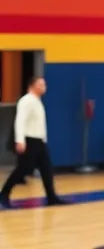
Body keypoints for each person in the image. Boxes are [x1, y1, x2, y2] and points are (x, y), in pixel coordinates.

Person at [1, 77, 68, 208]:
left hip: (39, 142)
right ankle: (4, 193)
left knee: (46, 169)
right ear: (32, 86)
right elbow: (20, 121)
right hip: (30, 141)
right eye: (41, 84)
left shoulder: (37, 101)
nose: (44, 86)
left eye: (44, 84)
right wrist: (20, 140)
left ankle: (52, 197)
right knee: (24, 169)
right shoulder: (26, 101)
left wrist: (43, 139)